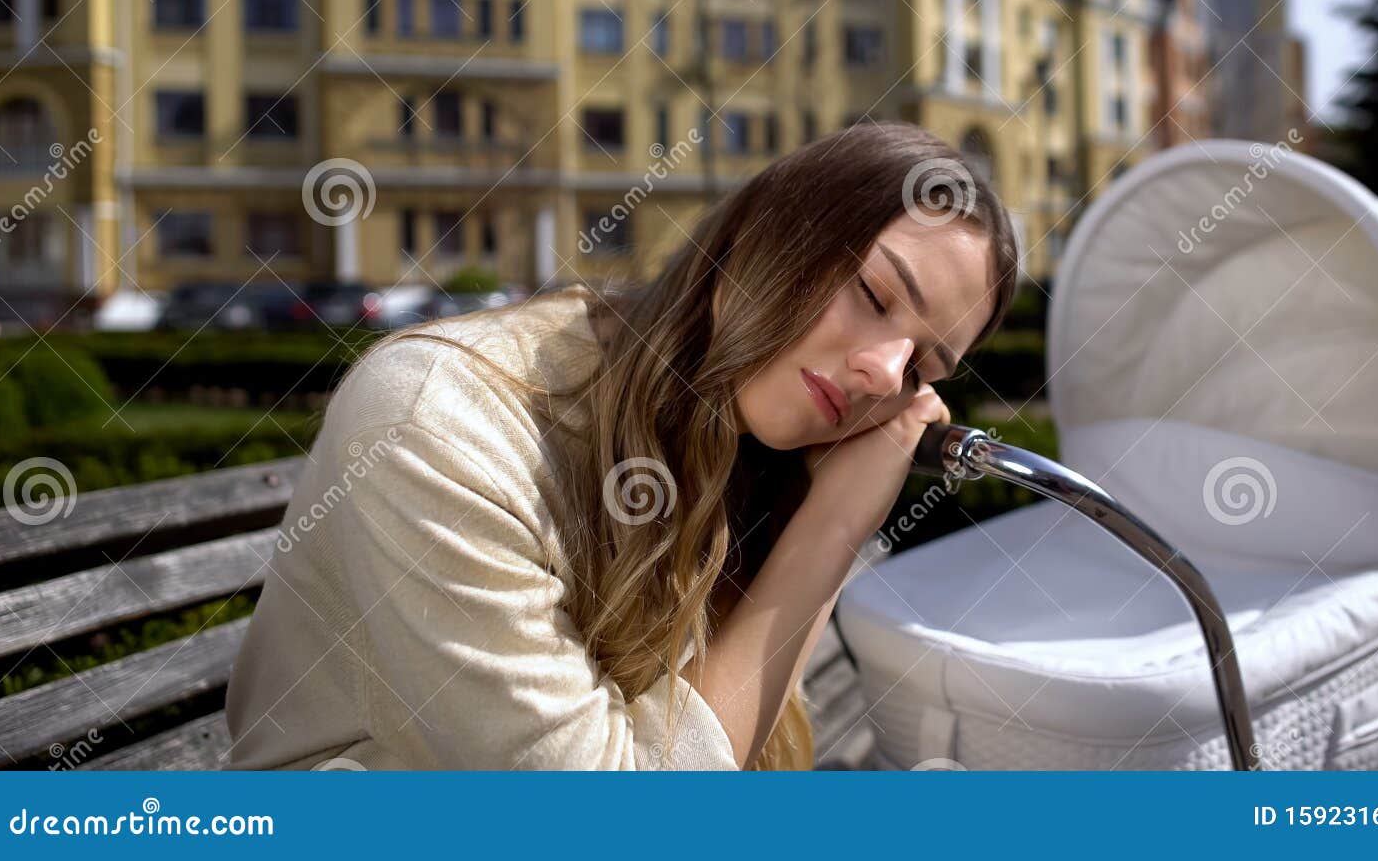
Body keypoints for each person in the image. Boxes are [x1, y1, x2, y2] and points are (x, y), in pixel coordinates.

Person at [223, 121, 1019, 770]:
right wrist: (835, 527)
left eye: (922, 366)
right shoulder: (438, 422)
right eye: (875, 294)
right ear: (770, 230)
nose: (883, 374)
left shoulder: (742, 453)